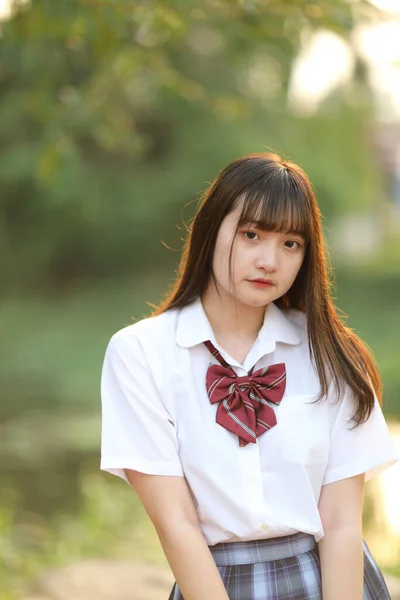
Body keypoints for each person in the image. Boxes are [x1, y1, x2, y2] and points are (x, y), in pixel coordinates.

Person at [100, 152, 399, 600]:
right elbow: (175, 521)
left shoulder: (331, 355)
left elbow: (340, 524)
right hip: (215, 584)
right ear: (211, 230)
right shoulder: (142, 353)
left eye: (290, 244)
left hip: (329, 580)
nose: (268, 261)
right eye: (252, 234)